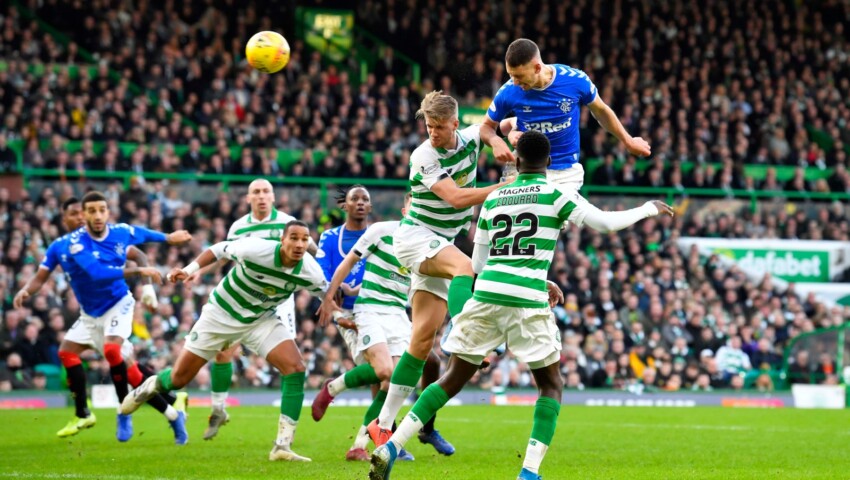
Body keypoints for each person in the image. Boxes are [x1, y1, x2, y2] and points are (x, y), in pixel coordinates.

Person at [370, 130, 673, 480]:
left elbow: (480, 265)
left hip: (486, 297)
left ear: (515, 160)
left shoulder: (495, 200)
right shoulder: (555, 193)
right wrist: (648, 209)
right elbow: (604, 223)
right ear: (548, 162)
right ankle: (529, 472)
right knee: (550, 384)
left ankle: (390, 445)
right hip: (526, 299)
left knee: (451, 379)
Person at [366, 91, 513, 448]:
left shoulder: (470, 136)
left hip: (440, 240)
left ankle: (382, 425)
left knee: (420, 342)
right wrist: (502, 188)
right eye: (429, 126)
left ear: (455, 124)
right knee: (465, 267)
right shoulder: (423, 155)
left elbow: (500, 125)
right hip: (416, 236)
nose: (433, 132)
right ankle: (466, 335)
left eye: (439, 127)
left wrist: (510, 133)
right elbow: (457, 198)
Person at [121, 221, 339, 462]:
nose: (299, 244)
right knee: (178, 379)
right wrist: (190, 268)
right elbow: (219, 249)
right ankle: (150, 386)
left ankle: (282, 446)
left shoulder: (310, 270)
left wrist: (340, 316)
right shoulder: (256, 249)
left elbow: (327, 295)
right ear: (282, 240)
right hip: (220, 314)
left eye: (305, 239)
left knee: (296, 368)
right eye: (294, 238)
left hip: (259, 320)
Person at [14, 192, 192, 442]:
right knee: (85, 358)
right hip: (90, 315)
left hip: (118, 304)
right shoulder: (71, 244)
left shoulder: (118, 232)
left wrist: (168, 238)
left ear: (108, 212)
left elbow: (141, 235)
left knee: (112, 352)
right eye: (87, 211)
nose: (95, 216)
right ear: (74, 216)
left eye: (101, 210)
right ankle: (173, 413)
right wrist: (26, 290)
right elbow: (96, 274)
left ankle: (123, 411)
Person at [313, 193, 453, 461]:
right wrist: (330, 297)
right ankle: (333, 388)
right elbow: (350, 262)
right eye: (415, 205)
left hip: (399, 314)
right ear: (404, 210)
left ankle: (359, 446)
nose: (420, 210)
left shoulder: (430, 244)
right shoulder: (381, 231)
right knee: (384, 370)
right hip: (370, 309)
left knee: (396, 382)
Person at [186, 178, 317, 441]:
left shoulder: (287, 223)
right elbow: (225, 256)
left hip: (279, 301)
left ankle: (284, 433)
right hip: (245, 297)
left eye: (265, 191)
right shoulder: (239, 227)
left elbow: (311, 251)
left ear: (273, 196)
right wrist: (198, 271)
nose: (261, 196)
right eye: (255, 192)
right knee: (223, 354)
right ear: (248, 198)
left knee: (288, 362)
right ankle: (218, 409)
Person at [481, 38, 651, 192]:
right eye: (511, 75)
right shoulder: (509, 91)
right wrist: (495, 141)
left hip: (565, 171)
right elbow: (486, 127)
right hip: (525, 167)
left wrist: (628, 141)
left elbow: (601, 110)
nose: (515, 81)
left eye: (519, 76)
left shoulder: (575, 81)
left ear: (537, 68)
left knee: (553, 224)